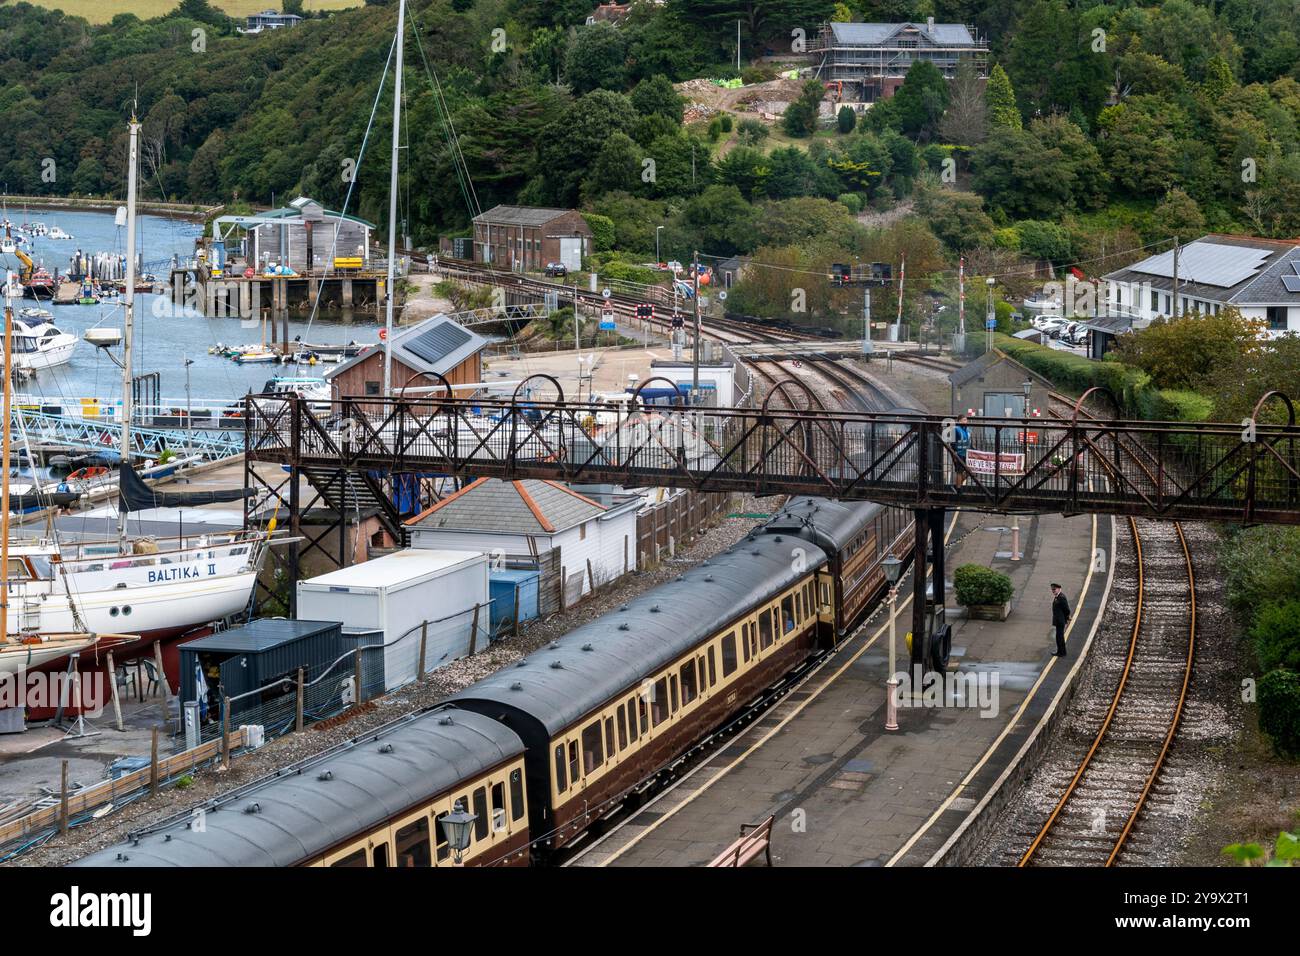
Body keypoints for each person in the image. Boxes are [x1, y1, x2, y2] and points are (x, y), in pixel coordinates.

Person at [1050, 583, 1070, 657]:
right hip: (1058, 620)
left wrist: (1066, 618)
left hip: (1060, 621)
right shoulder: (1057, 597)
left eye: (1054, 589)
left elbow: (1067, 609)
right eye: (1052, 589)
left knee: (1060, 637)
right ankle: (1060, 651)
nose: (1053, 591)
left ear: (1059, 589)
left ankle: (1062, 652)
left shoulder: (1061, 597)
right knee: (1059, 637)